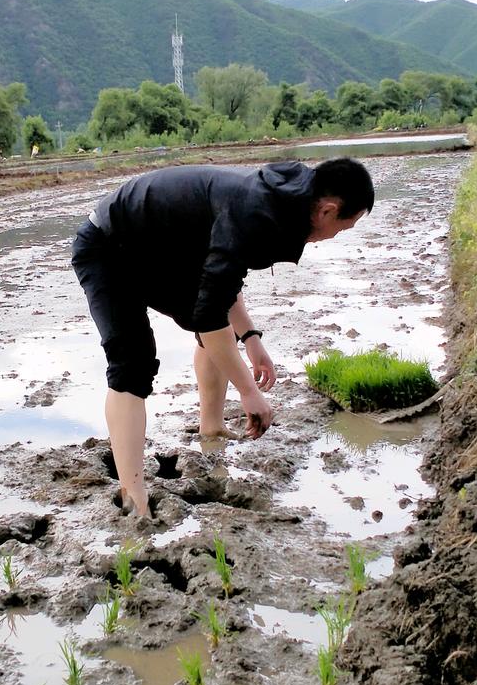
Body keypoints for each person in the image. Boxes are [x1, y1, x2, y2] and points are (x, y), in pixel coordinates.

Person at [72, 157, 374, 519]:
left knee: (217, 327)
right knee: (132, 363)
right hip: (110, 247)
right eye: (343, 227)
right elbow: (211, 312)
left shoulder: (287, 199)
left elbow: (224, 277)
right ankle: (133, 497)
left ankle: (211, 426)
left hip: (160, 247)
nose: (336, 235)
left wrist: (250, 336)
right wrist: (249, 390)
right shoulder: (259, 211)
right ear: (328, 210)